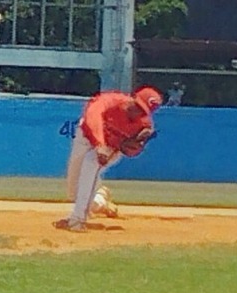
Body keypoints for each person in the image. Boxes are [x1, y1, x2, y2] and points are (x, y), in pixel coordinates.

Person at [56, 85, 163, 233]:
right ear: (132, 97)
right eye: (137, 105)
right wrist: (100, 143)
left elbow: (132, 152)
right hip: (86, 137)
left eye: (143, 111)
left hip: (111, 148)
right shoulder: (112, 100)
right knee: (74, 190)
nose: (137, 111)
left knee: (91, 163)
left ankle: (77, 219)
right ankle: (100, 200)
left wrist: (131, 148)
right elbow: (92, 115)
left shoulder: (143, 125)